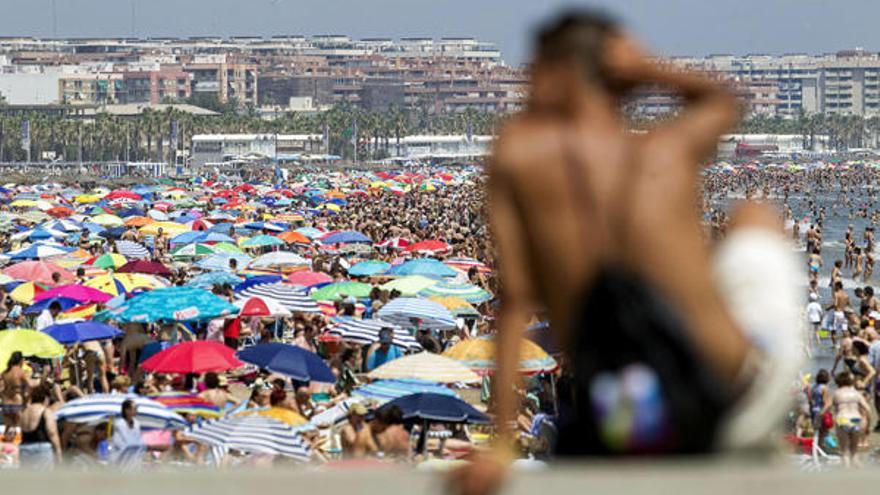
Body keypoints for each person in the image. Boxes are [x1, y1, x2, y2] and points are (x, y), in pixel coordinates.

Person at [455, 11, 800, 495]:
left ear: (559, 73)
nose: (526, 80)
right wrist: (652, 69)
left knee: (636, 414)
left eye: (535, 67)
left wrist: (502, 444)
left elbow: (514, 302)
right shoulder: (665, 151)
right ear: (619, 74)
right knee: (754, 216)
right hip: (732, 396)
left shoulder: (517, 156)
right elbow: (725, 102)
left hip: (630, 413)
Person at [822, 372, 871, 467]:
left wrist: (818, 421)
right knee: (854, 453)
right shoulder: (856, 394)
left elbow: (824, 410)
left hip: (843, 420)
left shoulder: (836, 393)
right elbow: (868, 409)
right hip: (856, 421)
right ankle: (863, 476)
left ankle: (846, 478)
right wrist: (867, 425)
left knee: (845, 453)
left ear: (838, 382)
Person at [18, 385, 62, 469]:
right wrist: (58, 452)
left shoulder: (24, 412)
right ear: (46, 398)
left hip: (24, 448)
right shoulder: (45, 411)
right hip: (41, 448)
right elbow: (52, 433)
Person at [110, 399, 145, 466]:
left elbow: (139, 440)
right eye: (134, 409)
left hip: (133, 460)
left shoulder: (137, 423)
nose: (136, 411)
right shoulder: (119, 424)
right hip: (119, 459)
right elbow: (128, 442)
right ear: (126, 410)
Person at [1, 351, 29, 429]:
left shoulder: (4, 373)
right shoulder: (21, 372)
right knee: (18, 427)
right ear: (20, 361)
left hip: (6, 402)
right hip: (17, 401)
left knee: (8, 428)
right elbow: (30, 385)